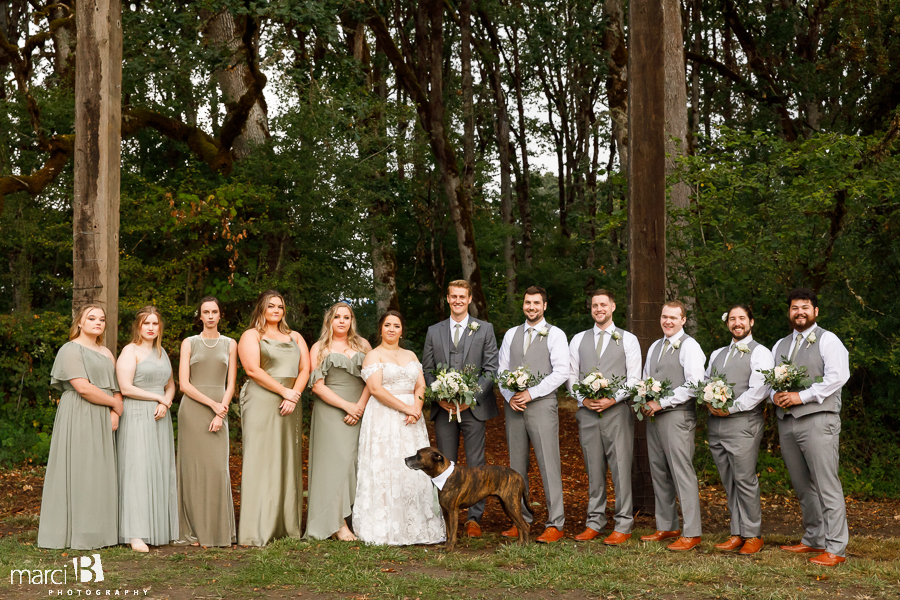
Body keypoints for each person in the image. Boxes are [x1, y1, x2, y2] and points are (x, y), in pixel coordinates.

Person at [771, 288, 850, 567]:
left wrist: (800, 396)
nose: (799, 312)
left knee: (826, 483)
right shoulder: (780, 345)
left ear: (815, 312)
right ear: (789, 312)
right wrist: (775, 396)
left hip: (819, 419)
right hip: (788, 422)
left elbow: (838, 377)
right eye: (794, 307)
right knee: (803, 485)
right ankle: (815, 538)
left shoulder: (828, 340)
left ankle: (836, 547)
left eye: (805, 307)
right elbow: (769, 382)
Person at [353, 310, 446, 546]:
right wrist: (407, 409)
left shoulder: (411, 354)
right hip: (384, 417)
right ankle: (386, 526)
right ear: (381, 329)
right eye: (387, 325)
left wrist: (417, 406)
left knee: (414, 469)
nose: (392, 329)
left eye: (396, 325)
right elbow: (376, 390)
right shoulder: (373, 355)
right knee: (386, 465)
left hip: (412, 420)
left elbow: (421, 385)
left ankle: (415, 525)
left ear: (401, 330)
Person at [37, 305, 122, 549]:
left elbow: (116, 387)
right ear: (80, 323)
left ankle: (100, 532)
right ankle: (76, 533)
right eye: (91, 318)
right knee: (80, 469)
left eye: (102, 319)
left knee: (100, 471)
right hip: (80, 412)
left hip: (104, 414)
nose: (98, 322)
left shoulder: (106, 352)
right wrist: (114, 405)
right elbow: (82, 387)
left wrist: (115, 411)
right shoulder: (70, 349)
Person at [422, 280, 499, 538]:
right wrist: (438, 397)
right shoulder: (434, 331)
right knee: (442, 463)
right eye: (453, 296)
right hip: (443, 410)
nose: (457, 300)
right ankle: (446, 519)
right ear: (447, 298)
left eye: (462, 296)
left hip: (473, 409)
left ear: (469, 299)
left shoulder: (485, 329)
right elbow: (427, 369)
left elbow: (491, 369)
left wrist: (471, 398)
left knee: (476, 464)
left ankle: (474, 519)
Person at [566, 289, 641, 545]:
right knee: (593, 469)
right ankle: (595, 521)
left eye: (603, 305)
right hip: (587, 414)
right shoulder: (577, 340)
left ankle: (623, 523)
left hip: (617, 413)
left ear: (613, 307)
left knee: (620, 468)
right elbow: (571, 377)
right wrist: (583, 399)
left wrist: (612, 398)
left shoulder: (628, 340)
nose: (599, 309)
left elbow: (634, 379)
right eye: (595, 305)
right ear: (591, 309)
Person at [237, 290, 310, 546]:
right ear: (262, 309)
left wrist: (294, 395)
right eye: (271, 306)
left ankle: (286, 527)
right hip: (263, 400)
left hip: (291, 400)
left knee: (287, 458)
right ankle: (256, 529)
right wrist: (284, 392)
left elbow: (305, 368)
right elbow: (252, 369)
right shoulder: (251, 335)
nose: (276, 310)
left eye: (280, 306)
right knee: (262, 458)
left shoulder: (295, 337)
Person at [497, 285, 569, 543]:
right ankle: (521, 520)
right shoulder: (511, 335)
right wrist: (510, 396)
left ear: (544, 306)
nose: (531, 307)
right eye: (528, 302)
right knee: (516, 467)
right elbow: (501, 370)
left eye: (536, 303)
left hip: (541, 405)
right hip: (514, 406)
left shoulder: (556, 335)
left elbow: (562, 372)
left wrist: (531, 393)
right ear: (523, 304)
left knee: (549, 465)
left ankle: (556, 523)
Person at [705, 304, 774, 555]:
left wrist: (730, 408)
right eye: (732, 319)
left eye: (742, 319)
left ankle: (753, 534)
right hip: (716, 424)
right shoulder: (716, 354)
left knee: (745, 479)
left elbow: (759, 391)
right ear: (727, 324)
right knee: (729, 480)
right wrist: (709, 400)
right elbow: (706, 381)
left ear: (751, 322)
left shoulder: (761, 353)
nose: (737, 323)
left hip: (744, 423)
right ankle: (737, 532)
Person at [639, 301, 706, 552]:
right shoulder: (656, 346)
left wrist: (662, 402)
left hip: (678, 416)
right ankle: (667, 525)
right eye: (664, 316)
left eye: (673, 318)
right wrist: (645, 399)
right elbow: (647, 377)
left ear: (683, 320)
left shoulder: (690, 346)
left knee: (681, 473)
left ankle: (692, 532)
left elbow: (694, 384)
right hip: (654, 416)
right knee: (659, 472)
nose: (668, 321)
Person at [305, 302, 372, 541]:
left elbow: (372, 380)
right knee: (334, 465)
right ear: (329, 321)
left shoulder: (363, 345)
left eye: (346, 317)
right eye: (337, 317)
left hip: (360, 408)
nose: (342, 321)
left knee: (355, 463)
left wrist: (360, 408)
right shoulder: (319, 348)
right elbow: (317, 386)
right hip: (331, 410)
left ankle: (353, 517)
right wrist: (347, 407)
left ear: (351, 320)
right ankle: (336, 524)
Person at [176, 296, 238, 547]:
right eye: (206, 312)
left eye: (215, 311)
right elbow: (184, 384)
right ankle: (192, 531)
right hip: (192, 411)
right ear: (199, 316)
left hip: (219, 409)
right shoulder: (189, 343)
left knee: (217, 469)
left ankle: (217, 531)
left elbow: (231, 383)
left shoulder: (230, 344)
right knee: (192, 471)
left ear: (220, 315)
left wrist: (220, 412)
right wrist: (212, 405)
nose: (210, 316)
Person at [116, 306, 179, 552]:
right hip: (137, 414)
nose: (151, 327)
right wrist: (159, 400)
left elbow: (171, 385)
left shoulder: (162, 352)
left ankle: (156, 527)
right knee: (138, 471)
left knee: (159, 469)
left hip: (160, 416)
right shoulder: (130, 351)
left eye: (155, 323)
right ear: (138, 327)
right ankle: (135, 534)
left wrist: (166, 400)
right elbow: (126, 387)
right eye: (146, 323)